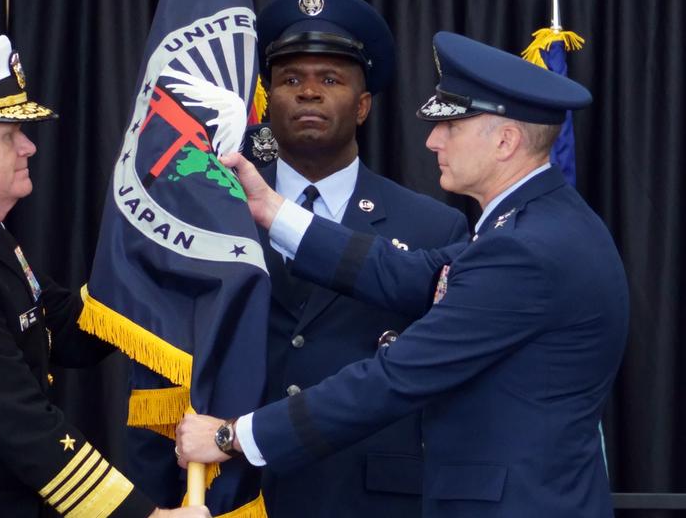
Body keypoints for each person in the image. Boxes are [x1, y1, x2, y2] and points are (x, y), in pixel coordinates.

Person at [176, 31, 629, 518]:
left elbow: (395, 376)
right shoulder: (537, 223)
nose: (433, 140)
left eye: (450, 127)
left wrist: (232, 436)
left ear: (505, 140)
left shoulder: (525, 249)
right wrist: (272, 210)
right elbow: (407, 272)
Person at [0, 35, 208, 518]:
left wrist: (161, 267)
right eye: (10, 135)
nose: (29, 146)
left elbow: (66, 328)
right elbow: (18, 419)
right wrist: (144, 516)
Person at [247, 0, 468, 518]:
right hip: (240, 488)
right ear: (266, 98)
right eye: (290, 79)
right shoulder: (215, 213)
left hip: (370, 494)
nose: (308, 93)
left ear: (363, 105)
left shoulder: (434, 224)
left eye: (330, 79)